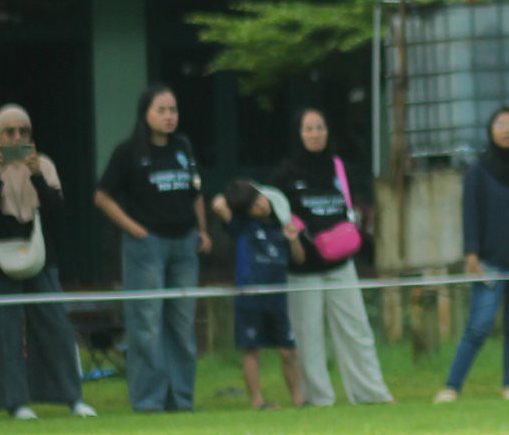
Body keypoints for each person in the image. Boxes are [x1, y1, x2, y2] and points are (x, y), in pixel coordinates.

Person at [95, 83, 209, 412]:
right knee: (146, 325)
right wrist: (134, 229)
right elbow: (102, 196)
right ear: (146, 114)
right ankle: (148, 401)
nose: (169, 116)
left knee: (183, 326)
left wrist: (201, 229)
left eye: (173, 110)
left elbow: (196, 191)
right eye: (161, 110)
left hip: (184, 244)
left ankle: (181, 400)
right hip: (146, 248)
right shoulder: (128, 151)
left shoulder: (183, 147)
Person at [0, 104, 94, 420]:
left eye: (23, 132)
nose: (16, 137)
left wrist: (37, 174)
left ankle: (70, 397)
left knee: (55, 325)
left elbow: (56, 210)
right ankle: (15, 402)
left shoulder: (45, 165)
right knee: (4, 330)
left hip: (40, 251)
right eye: (9, 132)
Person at [270, 108, 392, 406]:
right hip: (303, 270)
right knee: (308, 336)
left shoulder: (340, 168)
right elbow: (277, 217)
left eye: (320, 128)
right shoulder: (285, 174)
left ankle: (371, 394)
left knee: (357, 330)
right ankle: (318, 398)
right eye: (309, 129)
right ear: (299, 134)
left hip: (341, 265)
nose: (315, 134)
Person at [438, 107, 509, 402]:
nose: (508, 130)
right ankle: (451, 387)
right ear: (491, 130)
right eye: (501, 124)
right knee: (479, 326)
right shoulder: (478, 171)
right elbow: (470, 213)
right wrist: (471, 253)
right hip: (489, 261)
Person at [212, 178, 305, 409]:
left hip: (278, 298)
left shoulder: (281, 225)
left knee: (288, 351)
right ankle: (258, 401)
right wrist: (241, 194)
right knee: (252, 351)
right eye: (253, 204)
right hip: (250, 297)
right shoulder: (241, 226)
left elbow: (299, 259)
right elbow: (218, 204)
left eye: (261, 199)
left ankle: (298, 400)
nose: (261, 205)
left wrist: (293, 240)